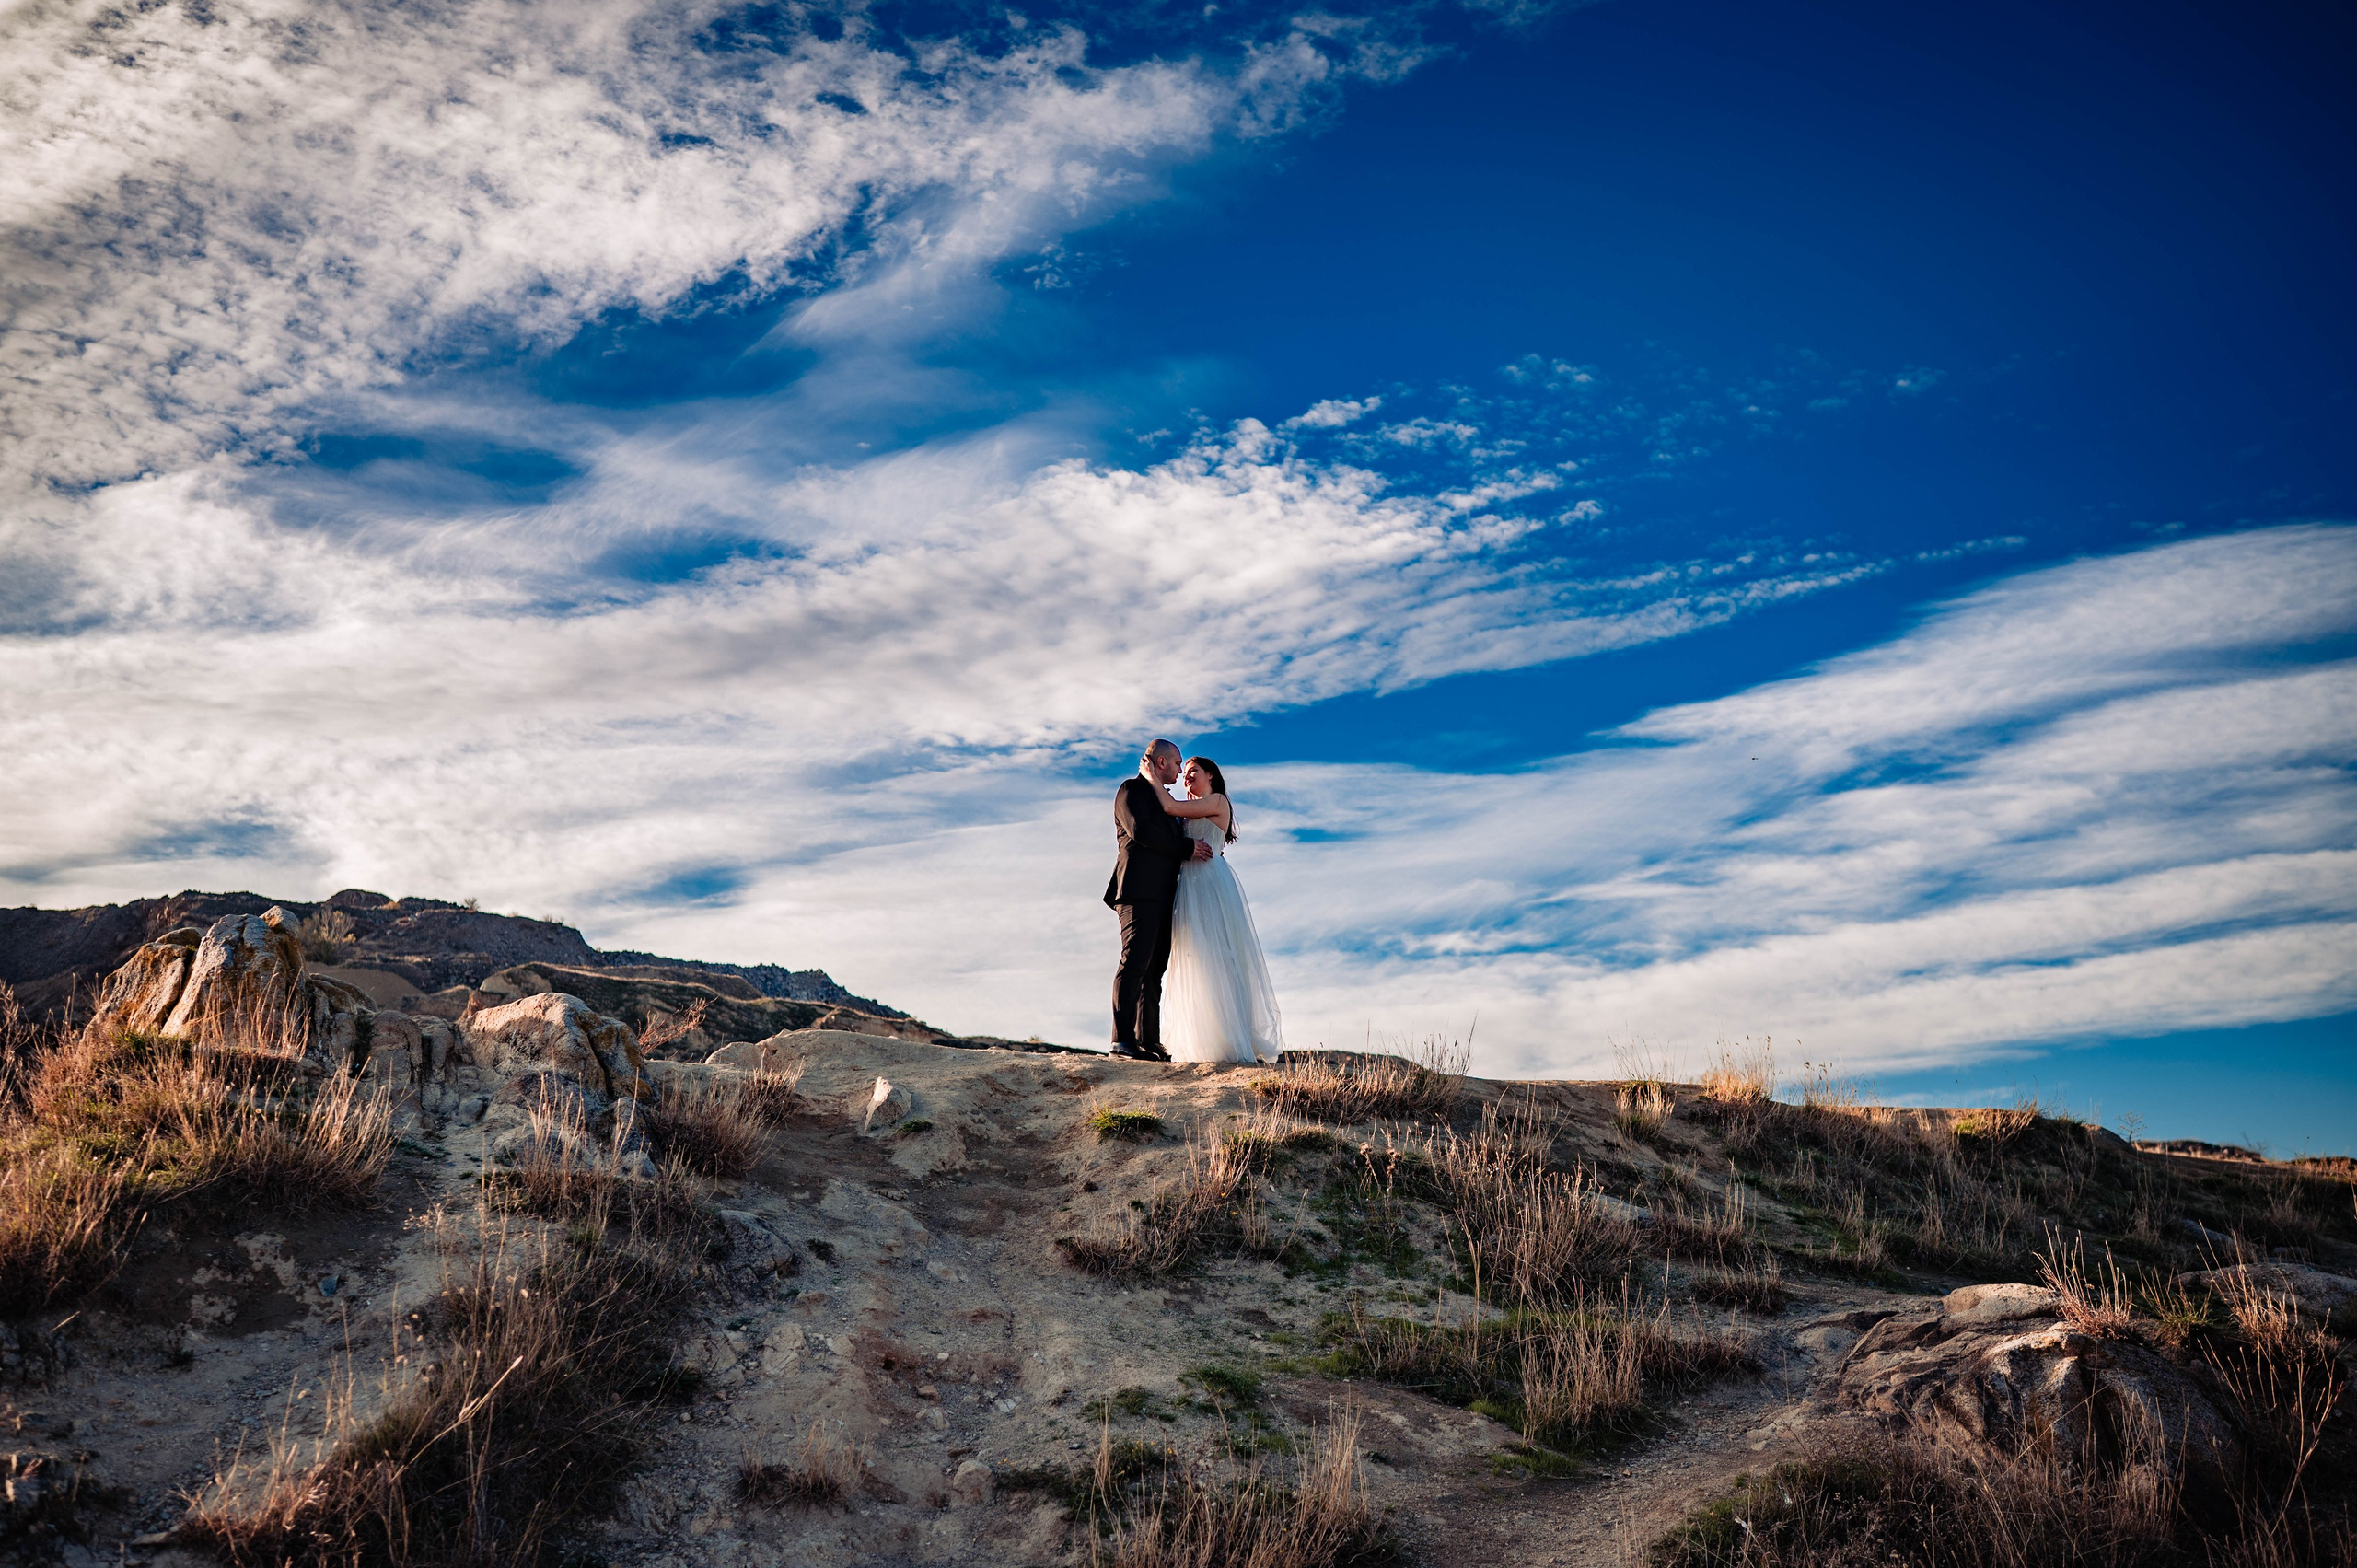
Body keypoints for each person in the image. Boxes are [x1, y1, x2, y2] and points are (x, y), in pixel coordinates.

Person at [1144, 754, 1284, 1064]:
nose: (1187, 777)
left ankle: (1229, 1041)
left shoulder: (1218, 802)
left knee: (1219, 955)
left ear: (1211, 775)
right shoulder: (1186, 810)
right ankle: (1201, 1041)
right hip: (1187, 889)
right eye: (1185, 773)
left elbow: (1169, 807)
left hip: (1210, 885)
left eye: (1193, 771)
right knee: (1195, 960)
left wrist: (1150, 776)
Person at [1104, 738, 1213, 1060]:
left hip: (1167, 897)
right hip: (1137, 892)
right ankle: (1121, 1041)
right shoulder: (1131, 790)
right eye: (1178, 764)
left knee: (1154, 971)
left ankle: (1148, 1041)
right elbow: (1142, 831)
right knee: (1134, 961)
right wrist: (1187, 848)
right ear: (1161, 762)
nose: (1180, 771)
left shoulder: (1167, 801)